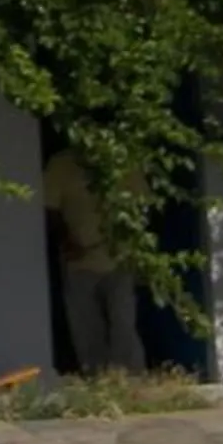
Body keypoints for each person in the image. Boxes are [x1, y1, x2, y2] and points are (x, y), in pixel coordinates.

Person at [43, 146, 144, 374]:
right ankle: (96, 380)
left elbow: (141, 207)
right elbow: (50, 209)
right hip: (78, 261)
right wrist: (66, 240)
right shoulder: (62, 163)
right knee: (86, 327)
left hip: (120, 258)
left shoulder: (125, 160)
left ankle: (131, 380)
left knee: (123, 323)